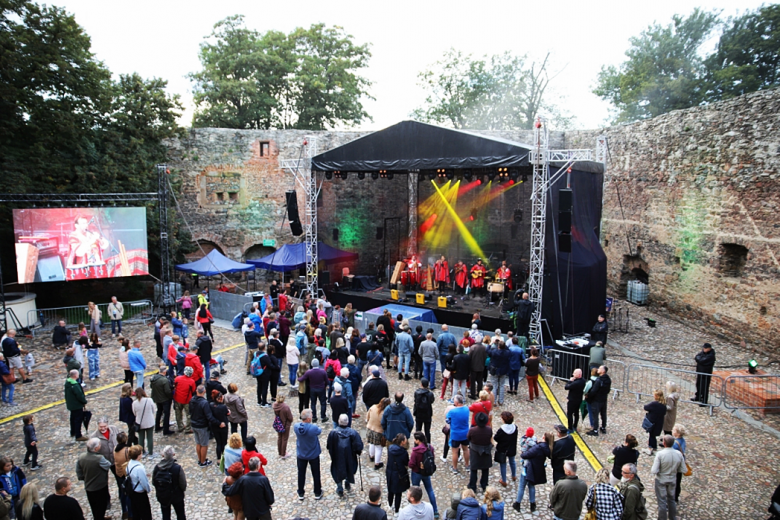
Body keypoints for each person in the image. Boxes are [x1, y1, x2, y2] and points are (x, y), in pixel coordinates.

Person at [512, 431, 551, 513]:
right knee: (531, 486)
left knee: (521, 486)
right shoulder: (547, 448)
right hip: (537, 469)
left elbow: (525, 455)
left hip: (529, 468)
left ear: (544, 437)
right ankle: (532, 504)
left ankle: (517, 503)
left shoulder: (538, 448)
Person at [326, 413, 364, 497]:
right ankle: (347, 482)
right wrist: (358, 451)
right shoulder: (353, 432)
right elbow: (359, 446)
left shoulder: (333, 433)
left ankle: (340, 488)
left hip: (337, 457)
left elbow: (329, 446)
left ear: (339, 421)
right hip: (350, 457)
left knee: (337, 471)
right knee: (350, 469)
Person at [651, 435, 685, 520]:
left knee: (662, 501)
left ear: (664, 443)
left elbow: (654, 470)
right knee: (671, 499)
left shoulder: (660, 454)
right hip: (672, 479)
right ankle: (672, 517)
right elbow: (683, 469)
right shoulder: (678, 454)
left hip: (661, 480)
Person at [294, 409, 324, 500]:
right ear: (307, 419)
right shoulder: (313, 428)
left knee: (301, 473)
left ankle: (301, 492)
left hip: (301, 453)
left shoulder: (296, 426)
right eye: (310, 415)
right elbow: (319, 430)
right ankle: (317, 492)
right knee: (316, 473)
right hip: (313, 454)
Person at [190, 384, 223, 467]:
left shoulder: (192, 399)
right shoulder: (204, 403)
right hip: (202, 425)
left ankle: (200, 459)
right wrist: (218, 423)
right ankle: (203, 461)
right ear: (204, 391)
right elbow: (209, 416)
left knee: (198, 443)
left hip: (194, 424)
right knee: (204, 444)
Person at [409, 432, 439, 518]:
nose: (414, 441)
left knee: (415, 492)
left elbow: (411, 464)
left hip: (416, 473)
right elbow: (432, 458)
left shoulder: (416, 451)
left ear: (418, 440)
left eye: (415, 439)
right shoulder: (430, 447)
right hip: (426, 473)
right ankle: (435, 510)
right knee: (430, 490)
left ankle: (416, 511)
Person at [153, 445, 187, 520]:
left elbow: (154, 482)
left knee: (165, 515)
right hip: (176, 496)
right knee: (180, 514)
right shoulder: (177, 468)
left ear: (163, 455)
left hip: (163, 495)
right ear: (173, 455)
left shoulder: (157, 468)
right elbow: (183, 484)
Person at [467, 412, 493, 493]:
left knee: (474, 470)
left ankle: (473, 486)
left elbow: (468, 437)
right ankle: (484, 484)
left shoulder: (472, 430)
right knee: (485, 469)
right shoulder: (489, 429)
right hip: (486, 452)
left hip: (475, 452)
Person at [126, 445, 153, 520]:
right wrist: (148, 489)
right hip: (140, 493)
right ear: (138, 456)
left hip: (133, 491)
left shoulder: (129, 463)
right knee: (145, 513)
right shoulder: (139, 468)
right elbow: (144, 482)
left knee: (136, 512)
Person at [386, 434, 410, 515]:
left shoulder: (390, 449)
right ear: (402, 442)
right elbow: (406, 462)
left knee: (390, 489)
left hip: (390, 471)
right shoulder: (403, 452)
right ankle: (396, 510)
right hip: (399, 472)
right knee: (398, 492)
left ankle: (390, 504)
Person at [446, 395, 471, 472]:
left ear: (456, 402)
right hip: (465, 433)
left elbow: (447, 420)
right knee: (466, 449)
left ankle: (455, 468)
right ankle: (467, 465)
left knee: (455, 452)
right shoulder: (467, 409)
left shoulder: (452, 411)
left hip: (455, 434)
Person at [493, 411, 518, 487]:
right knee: (512, 462)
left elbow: (496, 438)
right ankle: (514, 475)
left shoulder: (501, 430)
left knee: (503, 464)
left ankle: (504, 480)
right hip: (512, 448)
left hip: (503, 449)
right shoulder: (515, 428)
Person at [585, 365, 611, 437]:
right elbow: (608, 390)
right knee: (603, 414)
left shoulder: (599, 380)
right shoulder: (608, 379)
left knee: (595, 415)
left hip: (596, 400)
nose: (598, 369)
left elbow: (594, 391)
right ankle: (603, 427)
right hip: (604, 399)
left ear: (603, 371)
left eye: (599, 368)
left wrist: (588, 396)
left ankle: (595, 430)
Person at [132, 387, 157, 458]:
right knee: (150, 437)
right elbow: (153, 410)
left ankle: (142, 452)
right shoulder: (149, 400)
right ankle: (151, 452)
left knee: (141, 438)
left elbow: (134, 413)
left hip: (140, 423)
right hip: (149, 422)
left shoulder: (134, 403)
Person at [64, 369, 88, 441]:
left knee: (73, 418)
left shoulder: (68, 383)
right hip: (77, 405)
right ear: (75, 375)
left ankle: (73, 432)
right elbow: (79, 395)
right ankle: (78, 435)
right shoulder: (75, 385)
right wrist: (84, 401)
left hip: (71, 404)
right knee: (78, 419)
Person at [367, 397, 391, 470]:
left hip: (370, 429)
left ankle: (371, 456)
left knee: (371, 443)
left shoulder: (373, 407)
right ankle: (377, 463)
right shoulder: (385, 413)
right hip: (379, 431)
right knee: (378, 448)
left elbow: (367, 417)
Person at [151, 366, 174, 436]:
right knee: (166, 414)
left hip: (157, 398)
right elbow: (167, 391)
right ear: (164, 372)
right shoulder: (164, 380)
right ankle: (166, 429)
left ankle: (157, 426)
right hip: (165, 399)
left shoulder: (154, 378)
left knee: (159, 412)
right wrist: (171, 396)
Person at [643, 389, 667, 456]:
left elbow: (646, 407)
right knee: (653, 435)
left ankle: (650, 448)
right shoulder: (663, 404)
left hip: (653, 422)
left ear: (656, 396)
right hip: (659, 422)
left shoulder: (654, 404)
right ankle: (654, 448)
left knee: (651, 435)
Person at [173, 366, 196, 434]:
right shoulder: (191, 381)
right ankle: (188, 428)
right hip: (187, 401)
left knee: (178, 413)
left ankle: (180, 426)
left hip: (177, 399)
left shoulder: (177, 378)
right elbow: (193, 391)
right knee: (188, 415)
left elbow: (175, 386)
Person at [487, 341, 510, 405]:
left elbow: (487, 350)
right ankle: (501, 401)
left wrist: (490, 343)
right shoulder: (507, 352)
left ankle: (494, 401)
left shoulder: (494, 352)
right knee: (502, 385)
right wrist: (503, 345)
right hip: (503, 370)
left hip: (494, 370)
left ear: (498, 346)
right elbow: (508, 349)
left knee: (494, 386)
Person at [413, 378, 435, 443]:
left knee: (418, 429)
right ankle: (428, 444)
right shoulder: (430, 394)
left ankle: (416, 443)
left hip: (418, 414)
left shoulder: (417, 393)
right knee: (427, 431)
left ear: (421, 384)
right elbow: (432, 401)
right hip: (427, 414)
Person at [210, 391, 230, 461]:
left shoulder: (211, 405)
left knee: (218, 443)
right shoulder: (223, 407)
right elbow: (228, 413)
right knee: (224, 442)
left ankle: (219, 459)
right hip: (223, 425)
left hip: (215, 426)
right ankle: (225, 458)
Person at [251, 344, 272, 408]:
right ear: (264, 348)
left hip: (257, 372)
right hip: (264, 374)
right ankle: (264, 403)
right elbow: (269, 364)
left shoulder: (255, 354)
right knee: (264, 388)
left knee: (259, 386)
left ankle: (259, 401)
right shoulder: (265, 356)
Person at [672, 424, 687, 503]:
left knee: (674, 481)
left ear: (677, 433)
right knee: (678, 481)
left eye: (674, 430)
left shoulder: (675, 444)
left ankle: (673, 497)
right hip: (681, 462)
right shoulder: (682, 440)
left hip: (676, 464)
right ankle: (676, 496)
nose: (672, 431)